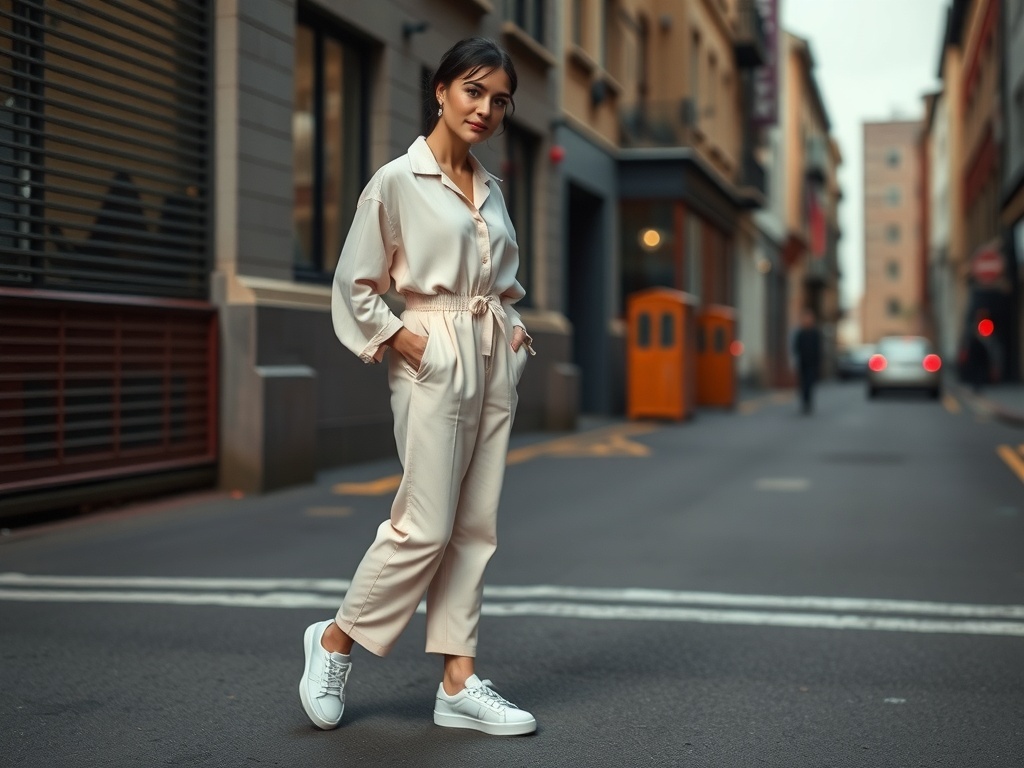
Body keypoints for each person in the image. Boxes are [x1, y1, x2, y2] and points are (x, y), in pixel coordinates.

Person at [298, 38, 537, 737]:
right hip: (433, 350)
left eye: (499, 99)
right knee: (423, 525)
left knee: (473, 528)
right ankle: (336, 640)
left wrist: (515, 330)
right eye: (473, 90)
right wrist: (401, 336)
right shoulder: (398, 180)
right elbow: (356, 283)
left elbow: (501, 280)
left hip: (492, 350)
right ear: (440, 91)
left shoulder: (491, 190)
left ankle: (458, 682)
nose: (486, 109)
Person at [793, 308, 822, 414]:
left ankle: (809, 403)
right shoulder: (801, 333)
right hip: (803, 363)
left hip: (812, 364)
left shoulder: (815, 333)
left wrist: (818, 364)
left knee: (810, 384)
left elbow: (818, 350)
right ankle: (804, 403)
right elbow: (796, 347)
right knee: (803, 385)